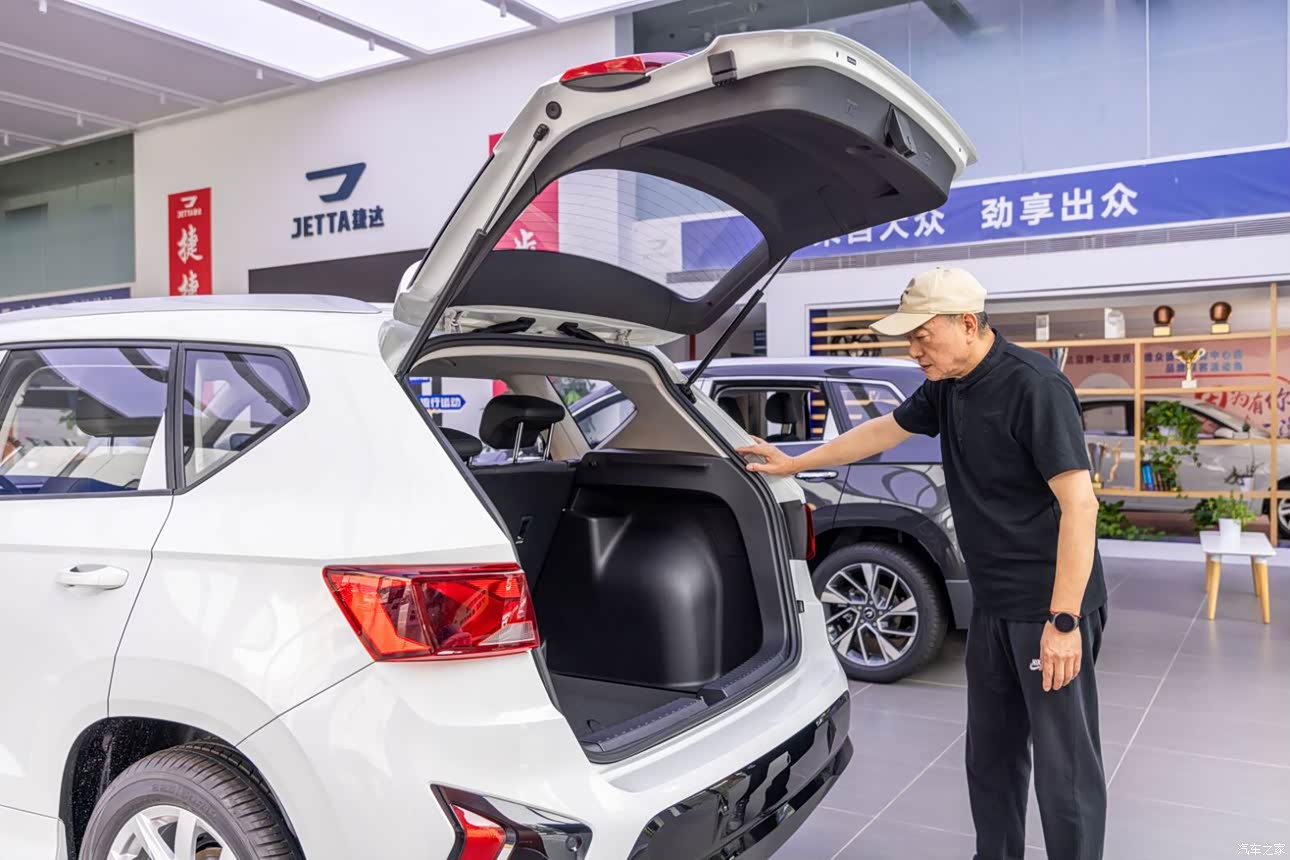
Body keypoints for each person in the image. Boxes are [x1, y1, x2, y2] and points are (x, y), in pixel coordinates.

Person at [738, 266, 1108, 860]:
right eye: (909, 338)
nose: (913, 350)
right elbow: (883, 431)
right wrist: (795, 463)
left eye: (921, 336)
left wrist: (1063, 621)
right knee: (991, 754)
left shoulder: (1035, 386)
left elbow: (1080, 505)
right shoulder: (948, 385)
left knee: (1064, 768)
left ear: (968, 324)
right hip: (993, 601)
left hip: (1048, 605)